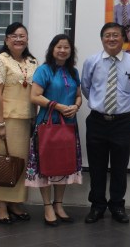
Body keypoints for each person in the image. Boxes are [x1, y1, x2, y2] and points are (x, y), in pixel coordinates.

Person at [81, 22, 130, 224]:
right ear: (102, 39)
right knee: (96, 167)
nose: (111, 39)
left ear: (123, 38)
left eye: (115, 35)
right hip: (97, 121)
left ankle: (117, 205)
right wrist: (100, 104)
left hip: (122, 123)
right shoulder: (91, 62)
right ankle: (97, 206)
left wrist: (125, 107)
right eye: (107, 35)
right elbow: (86, 87)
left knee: (120, 167)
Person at [26, 34, 83, 226]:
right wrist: (57, 106)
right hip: (47, 125)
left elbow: (78, 95)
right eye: (59, 47)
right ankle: (47, 206)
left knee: (63, 166)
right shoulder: (44, 70)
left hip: (68, 125)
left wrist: (76, 106)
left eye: (66, 47)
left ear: (71, 51)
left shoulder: (73, 72)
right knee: (46, 167)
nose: (62, 50)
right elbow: (34, 96)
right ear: (52, 49)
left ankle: (59, 205)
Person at [0, 22, 38, 224]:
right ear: (6, 40)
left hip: (25, 119)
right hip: (5, 120)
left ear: (27, 39)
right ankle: (1, 205)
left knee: (20, 164)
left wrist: (35, 118)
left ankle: (15, 203)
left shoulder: (32, 62)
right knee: (2, 163)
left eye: (22, 36)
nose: (18, 39)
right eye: (14, 36)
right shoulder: (0, 60)